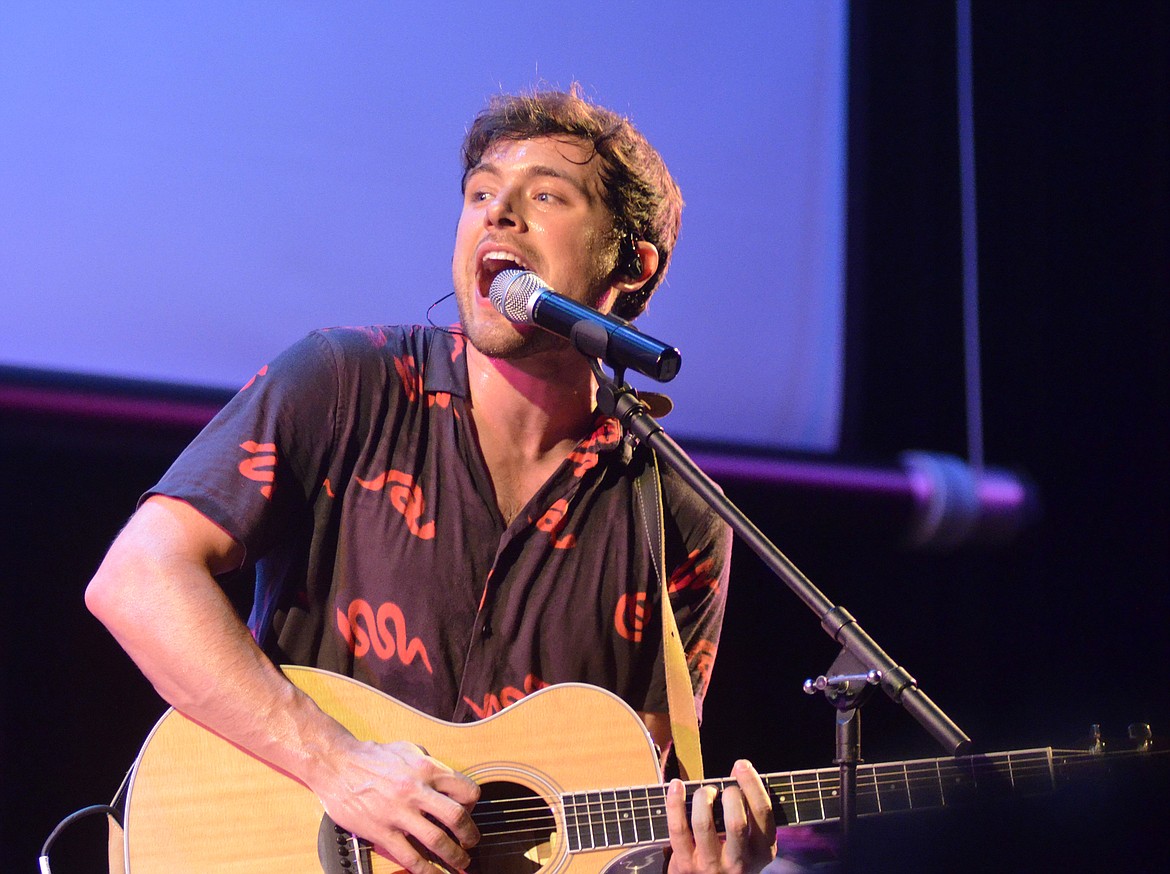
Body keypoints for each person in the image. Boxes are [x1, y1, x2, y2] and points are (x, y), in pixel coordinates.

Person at [86, 87, 778, 874]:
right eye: (481, 192)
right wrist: (336, 765)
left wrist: (698, 863)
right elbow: (137, 578)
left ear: (630, 262)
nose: (498, 213)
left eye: (545, 194)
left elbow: (643, 818)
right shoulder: (347, 383)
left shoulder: (674, 511)